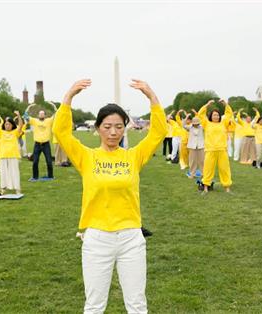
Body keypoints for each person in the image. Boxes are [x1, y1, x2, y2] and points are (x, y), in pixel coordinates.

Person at [53, 79, 167, 314]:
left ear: (125, 127)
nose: (113, 132)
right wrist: (69, 97)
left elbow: (159, 132)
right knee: (94, 306)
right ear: (97, 129)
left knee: (137, 305)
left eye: (118, 126)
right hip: (97, 238)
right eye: (107, 126)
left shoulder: (134, 156)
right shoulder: (86, 157)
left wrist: (151, 96)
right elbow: (61, 132)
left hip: (131, 238)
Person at [197, 99, 234, 193]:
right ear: (211, 116)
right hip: (210, 150)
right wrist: (207, 105)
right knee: (208, 169)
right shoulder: (206, 124)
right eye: (214, 115)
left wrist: (226, 104)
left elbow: (229, 114)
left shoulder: (223, 123)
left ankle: (227, 187)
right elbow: (200, 114)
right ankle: (205, 187)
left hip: (222, 150)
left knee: (224, 169)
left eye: (217, 115)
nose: (216, 116)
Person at [0, 110, 24, 195]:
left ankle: (17, 188)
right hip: (3, 155)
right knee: (3, 172)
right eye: (6, 124)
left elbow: (20, 125)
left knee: (14, 172)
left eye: (9, 124)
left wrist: (19, 116)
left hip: (13, 155)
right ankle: (3, 188)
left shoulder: (15, 132)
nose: (7, 125)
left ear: (12, 125)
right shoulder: (1, 132)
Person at [25, 102, 58, 181]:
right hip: (37, 144)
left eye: (43, 114)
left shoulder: (49, 121)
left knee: (49, 161)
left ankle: (50, 176)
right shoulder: (34, 121)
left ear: (45, 115)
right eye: (40, 114)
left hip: (46, 144)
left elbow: (56, 114)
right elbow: (25, 115)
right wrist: (29, 106)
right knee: (35, 161)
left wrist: (53, 105)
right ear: (38, 115)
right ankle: (35, 177)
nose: (41, 115)